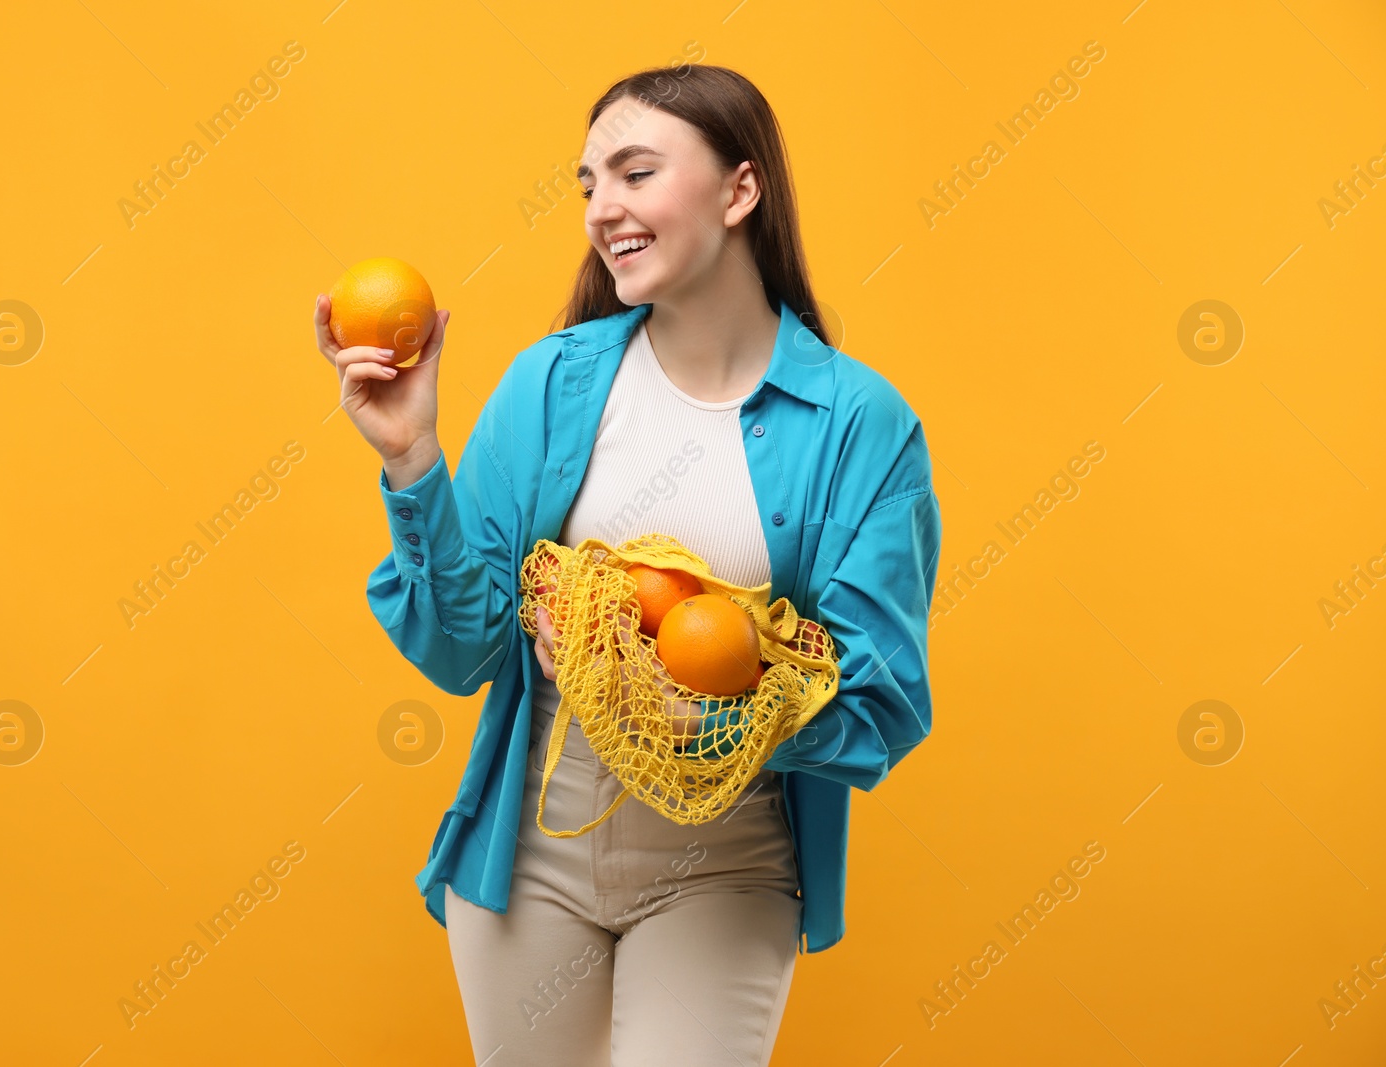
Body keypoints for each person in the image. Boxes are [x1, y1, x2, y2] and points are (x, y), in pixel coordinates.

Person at [314, 64, 942, 1067]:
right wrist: (410, 458)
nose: (603, 208)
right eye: (588, 184)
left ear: (741, 191)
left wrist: (717, 716)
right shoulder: (552, 381)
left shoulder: (860, 426)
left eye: (635, 173)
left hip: (724, 863)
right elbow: (465, 646)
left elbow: (883, 704)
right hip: (530, 858)